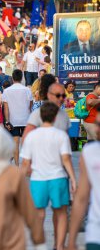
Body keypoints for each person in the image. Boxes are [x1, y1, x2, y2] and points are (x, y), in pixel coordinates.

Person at [21, 102, 77, 250]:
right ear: (55, 117)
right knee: (61, 213)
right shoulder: (61, 135)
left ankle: (39, 245)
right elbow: (66, 159)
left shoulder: (31, 136)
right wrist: (73, 179)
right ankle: (59, 246)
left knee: (39, 214)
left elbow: (25, 163)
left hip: (38, 179)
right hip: (58, 177)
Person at [66, 107, 100, 250]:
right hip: (95, 232)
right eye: (97, 124)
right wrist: (72, 240)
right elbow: (81, 197)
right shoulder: (90, 151)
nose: (97, 129)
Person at [2, 69, 33, 166]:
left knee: (15, 144)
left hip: (13, 121)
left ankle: (16, 165)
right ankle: (26, 165)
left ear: (12, 78)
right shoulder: (27, 90)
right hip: (26, 119)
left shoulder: (6, 91)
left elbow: (6, 108)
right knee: (26, 144)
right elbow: (30, 105)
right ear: (22, 78)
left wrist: (7, 121)